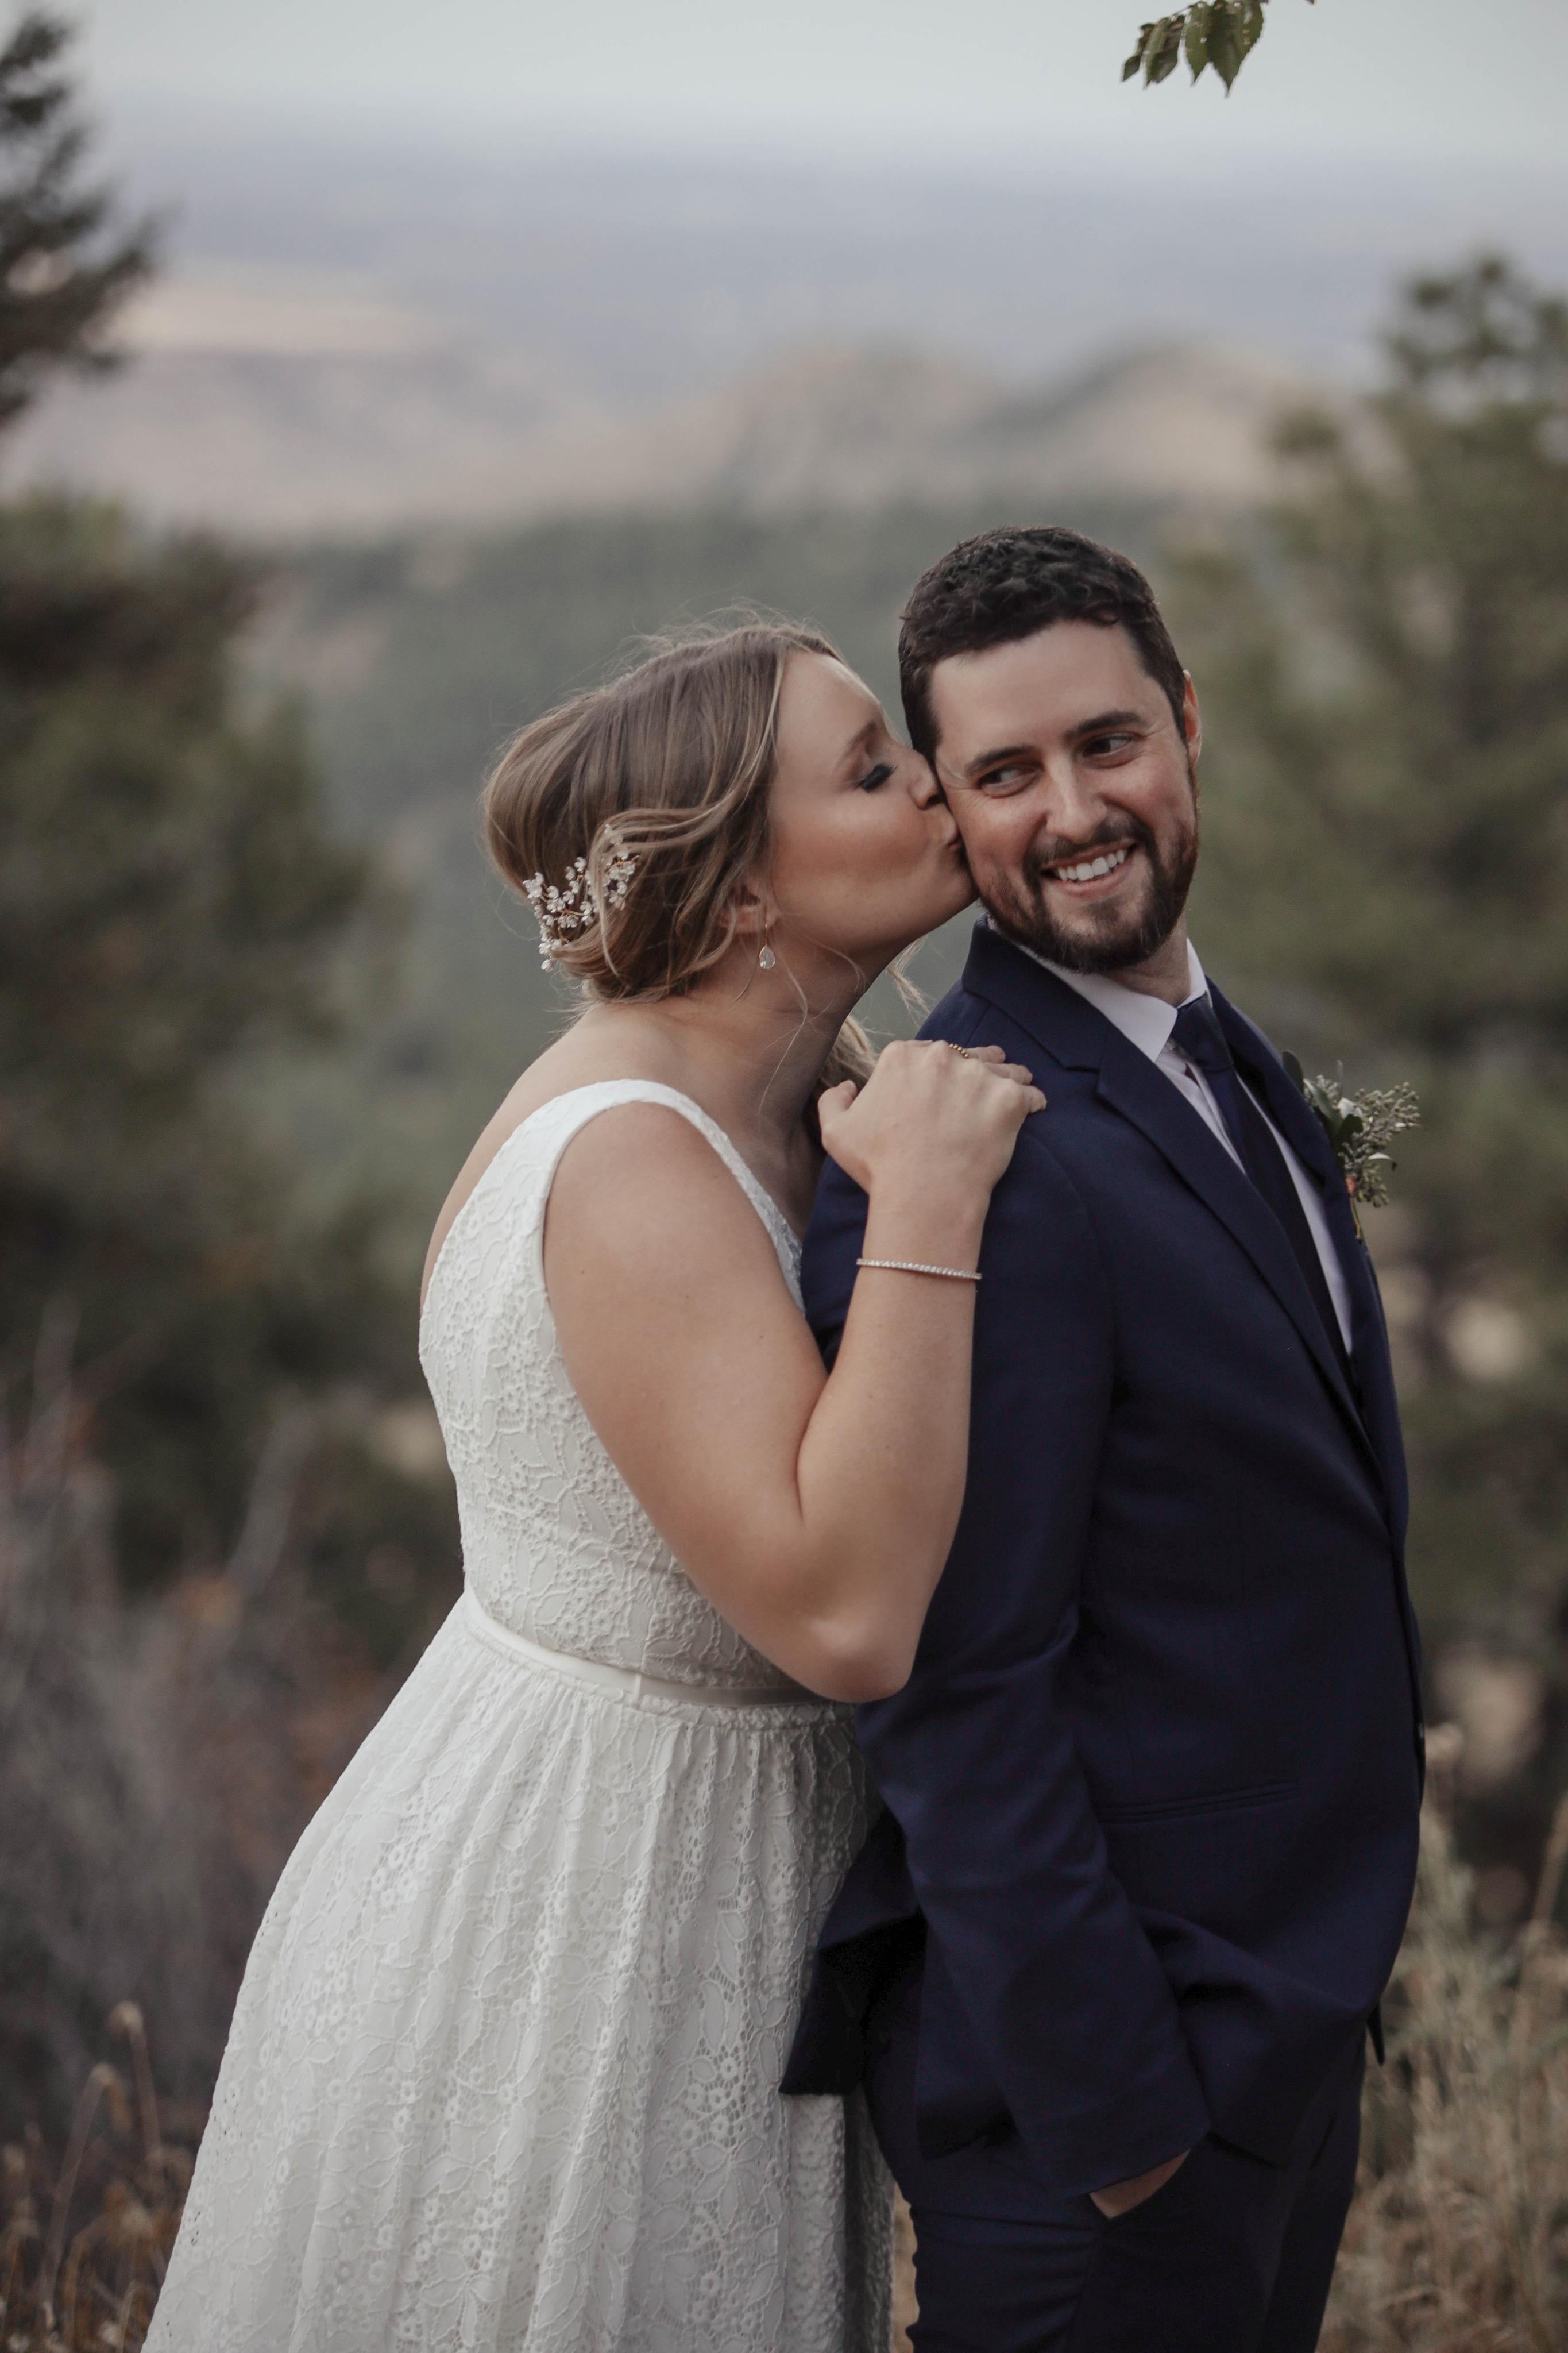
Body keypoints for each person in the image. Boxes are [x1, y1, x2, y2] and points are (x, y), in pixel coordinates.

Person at [145, 621, 1044, 2353]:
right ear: (744, 895)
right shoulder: (635, 1158)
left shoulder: (790, 1097)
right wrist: (934, 1206)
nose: (934, 780)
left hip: (712, 1866)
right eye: (872, 768)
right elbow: (847, 1616)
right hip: (595, 1903)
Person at [785, 528, 1424, 2353]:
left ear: (1186, 723)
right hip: (1112, 2114)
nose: (1071, 812)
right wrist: (1129, 2129)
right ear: (949, 806)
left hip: (1278, 2036)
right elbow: (951, 1682)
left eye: (1107, 743)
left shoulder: (1221, 1061)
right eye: (1004, 773)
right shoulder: (972, 1161)